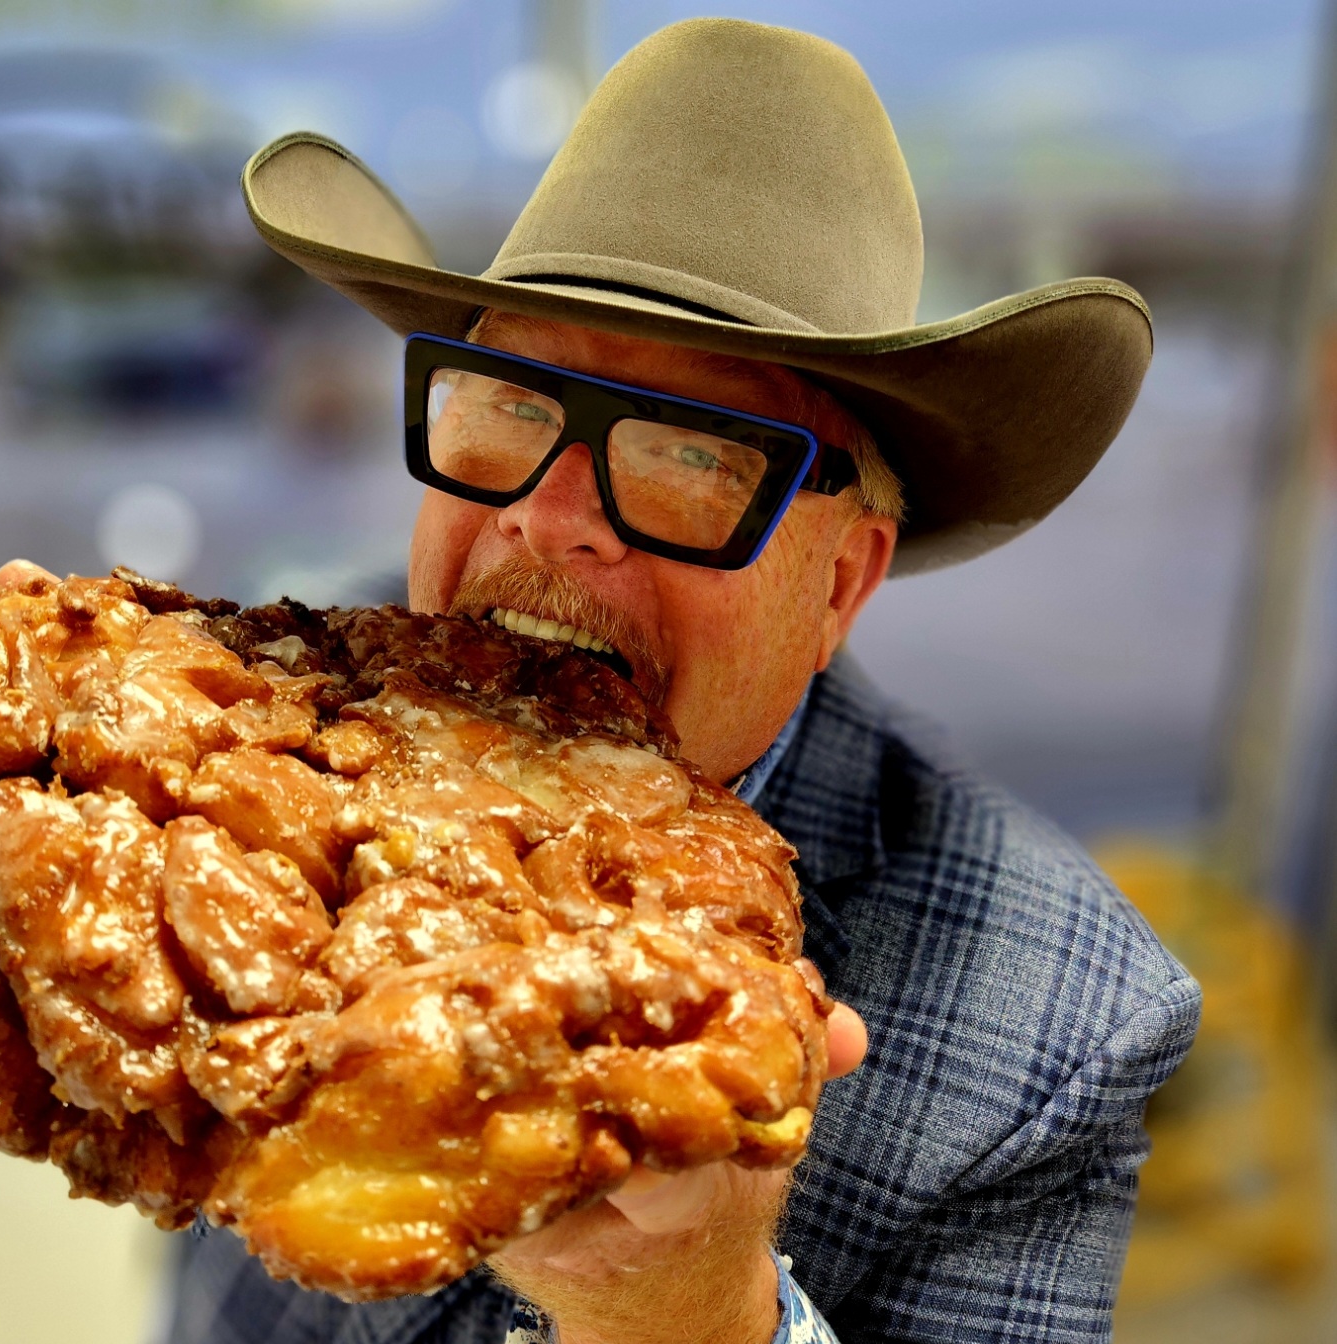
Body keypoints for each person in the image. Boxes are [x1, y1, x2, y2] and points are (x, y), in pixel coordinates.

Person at [166, 18, 1199, 1344]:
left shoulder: (1058, 1034)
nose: (545, 519)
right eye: (502, 404)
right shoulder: (273, 769)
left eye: (691, 458)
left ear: (839, 581)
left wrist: (691, 1311)